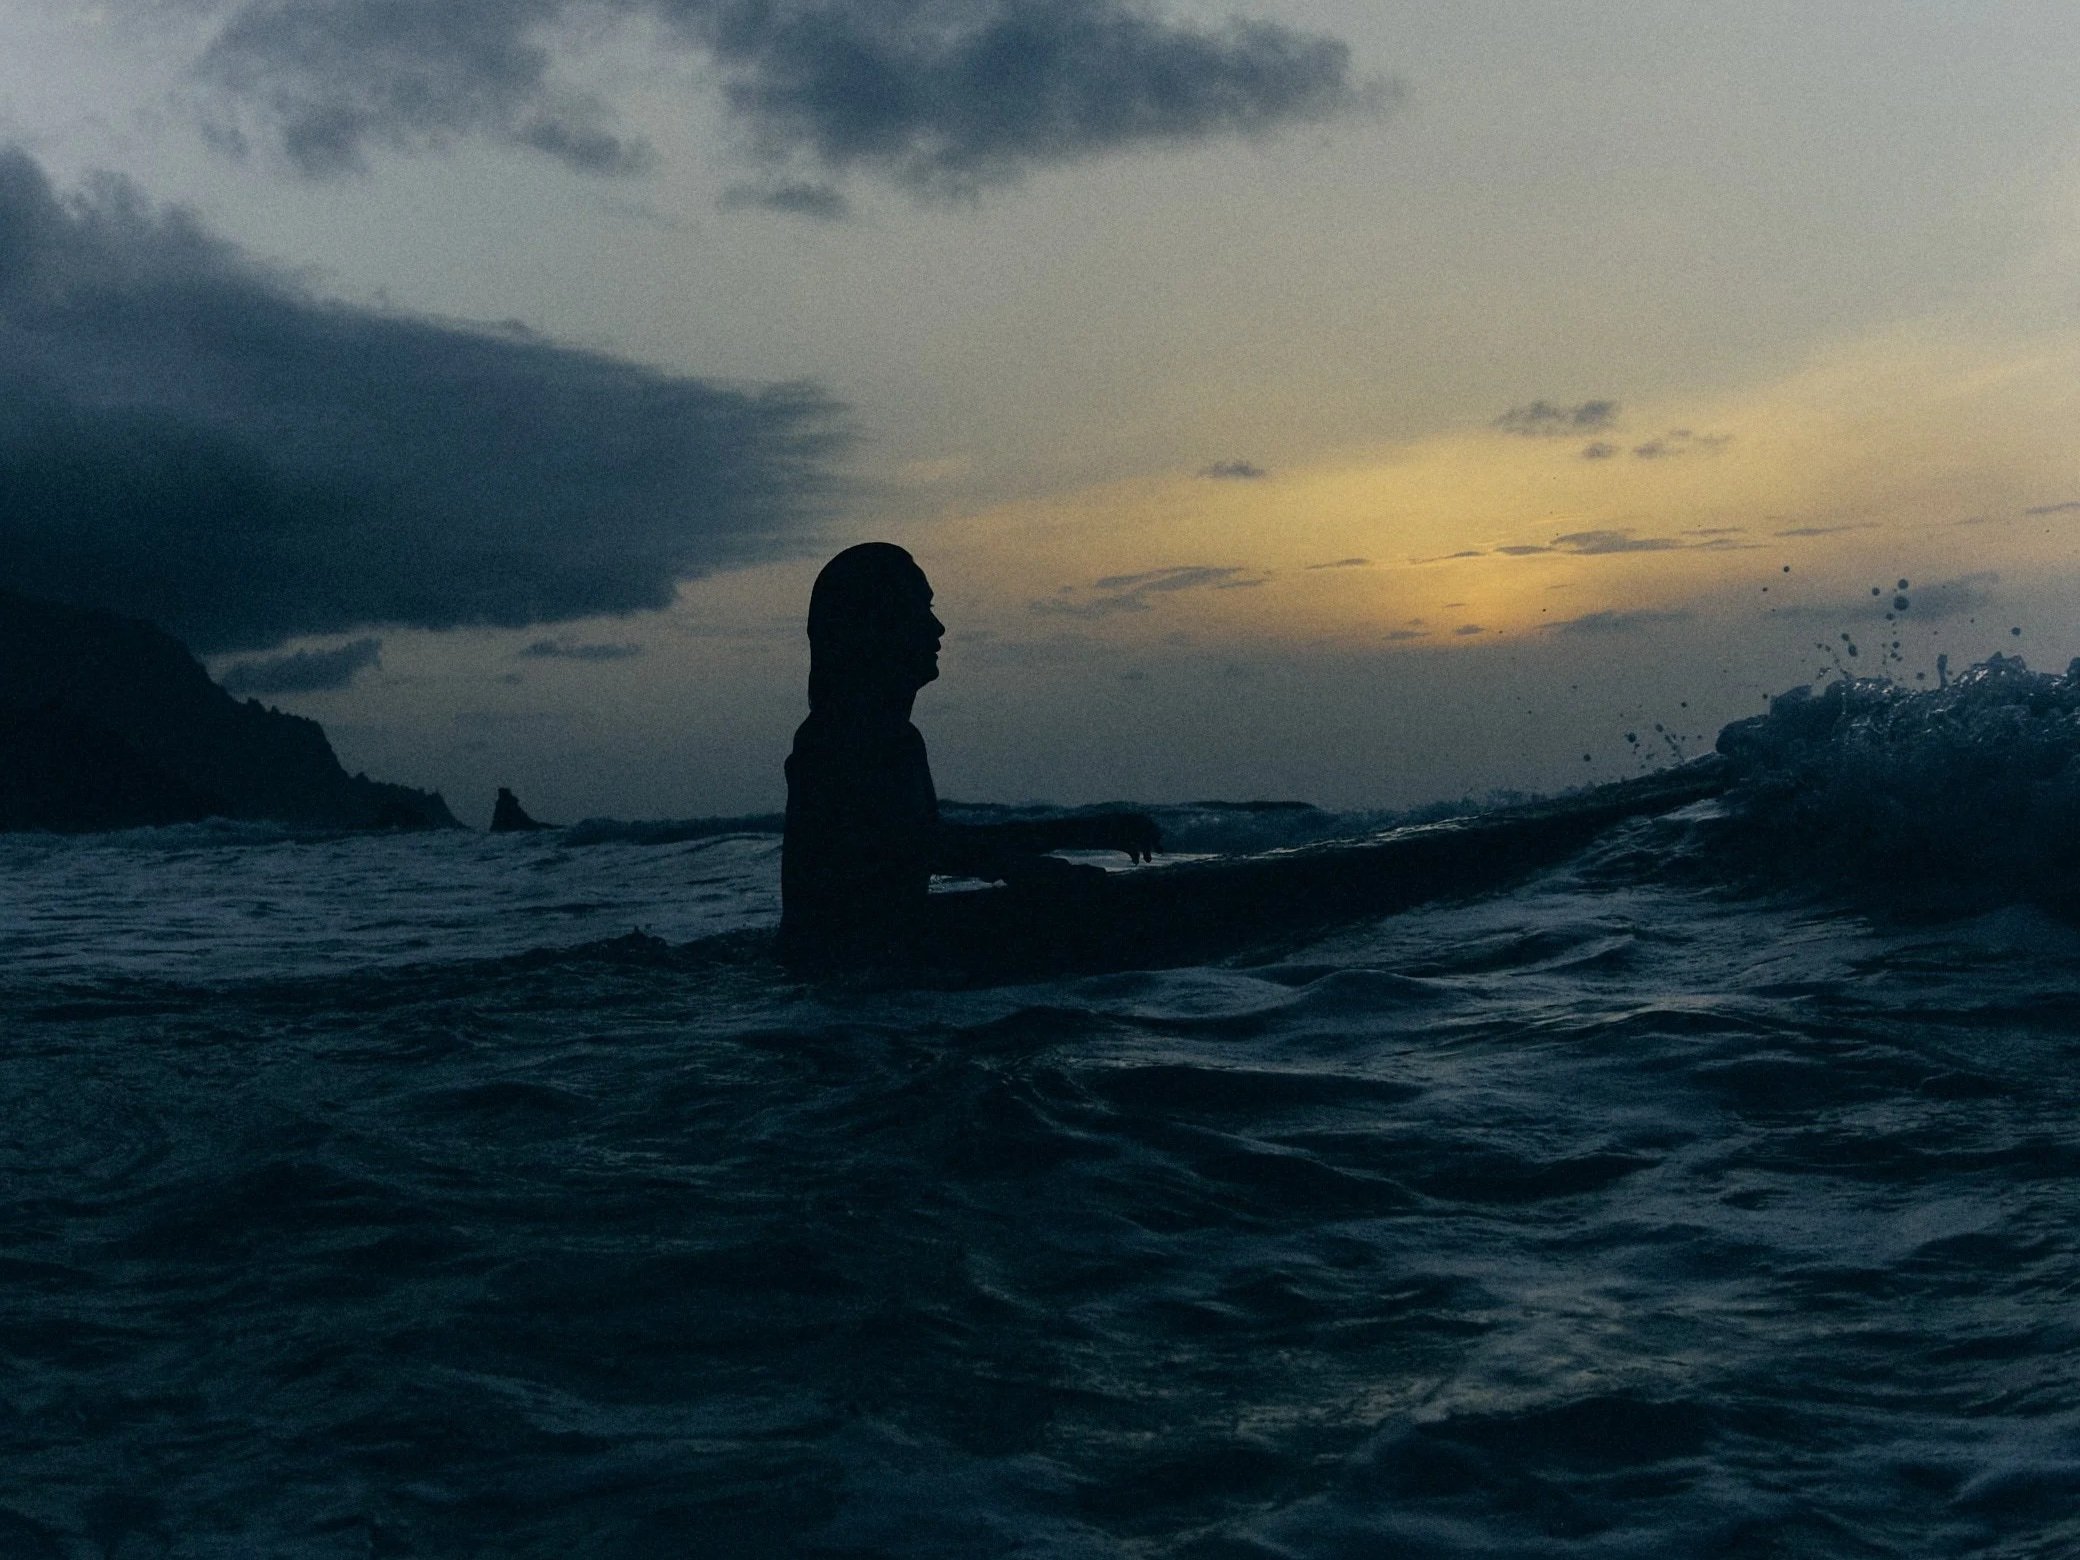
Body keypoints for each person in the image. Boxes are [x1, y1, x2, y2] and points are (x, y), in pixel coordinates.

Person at [779, 542, 1160, 968]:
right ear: (875, 625)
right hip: (844, 974)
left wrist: (1087, 833)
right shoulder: (841, 739)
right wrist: (1032, 866)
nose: (938, 628)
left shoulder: (882, 737)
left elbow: (925, 841)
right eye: (919, 610)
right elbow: (918, 847)